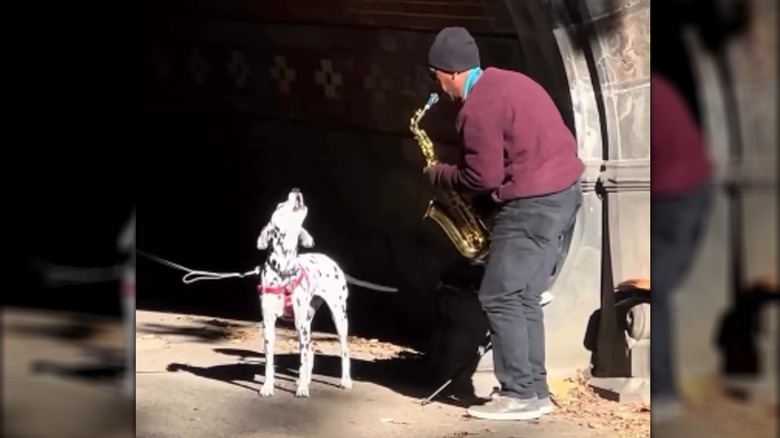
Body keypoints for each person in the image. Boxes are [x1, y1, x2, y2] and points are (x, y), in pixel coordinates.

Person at [423, 27, 584, 421]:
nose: (438, 86)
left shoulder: (477, 106)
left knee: (498, 295)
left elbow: (484, 177)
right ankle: (535, 389)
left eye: (436, 75)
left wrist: (439, 174)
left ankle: (518, 393)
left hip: (531, 205)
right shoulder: (513, 82)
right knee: (525, 296)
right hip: (563, 194)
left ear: (453, 71)